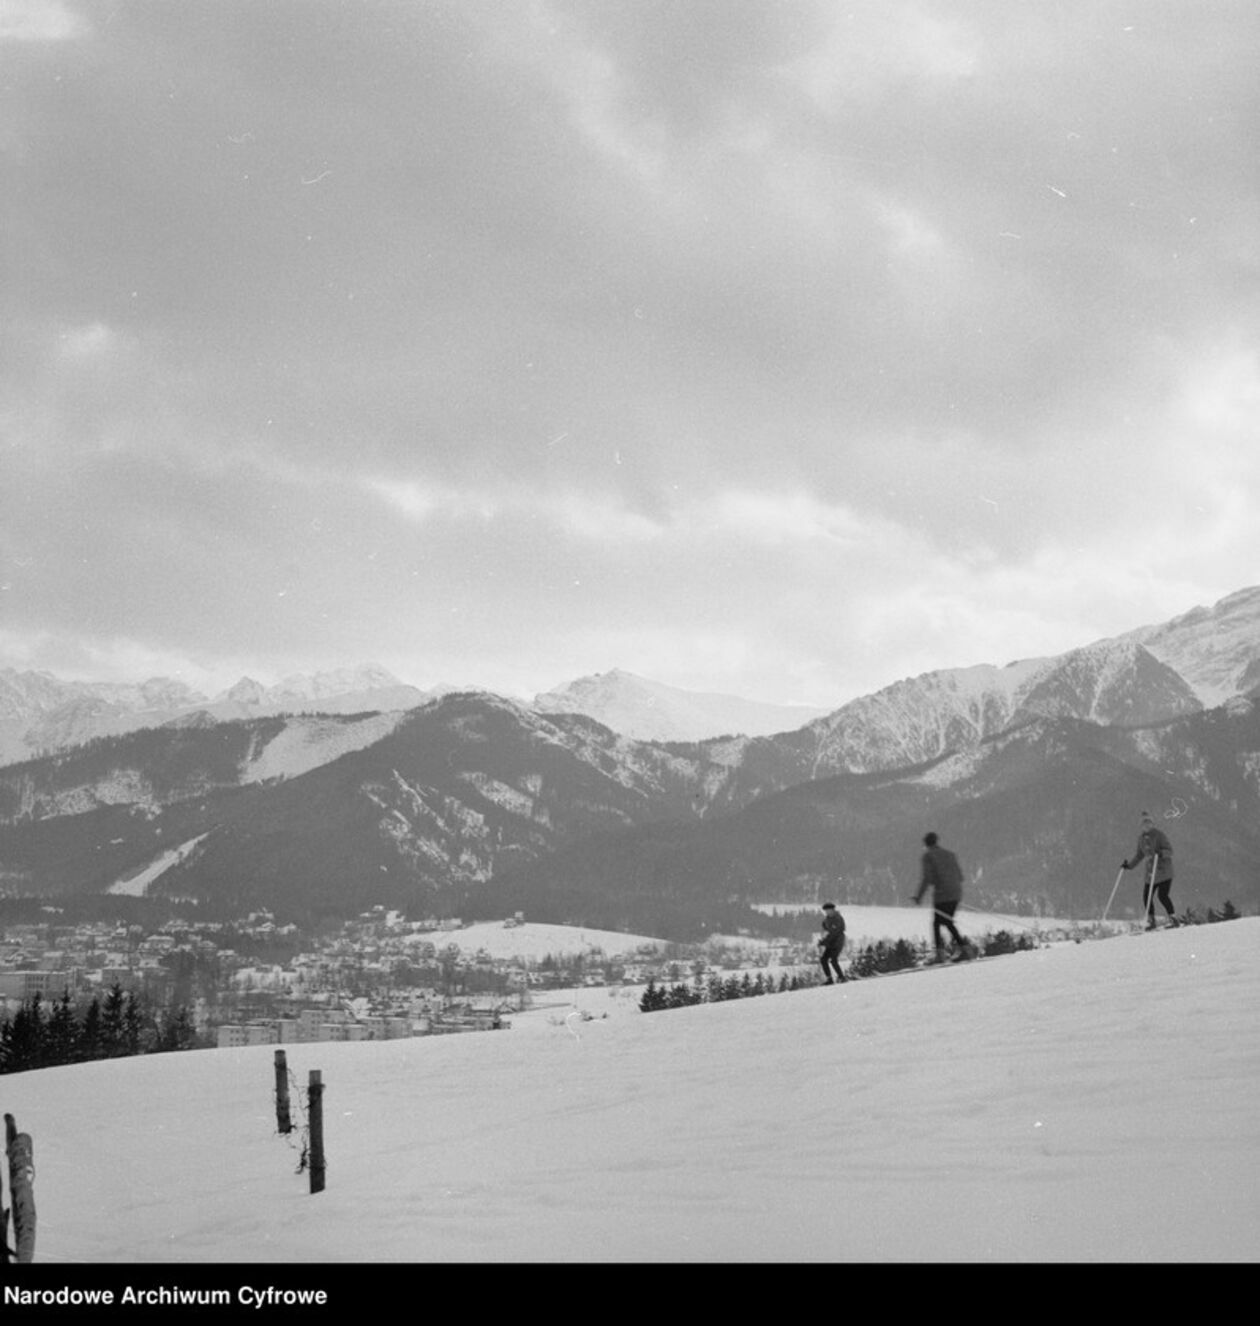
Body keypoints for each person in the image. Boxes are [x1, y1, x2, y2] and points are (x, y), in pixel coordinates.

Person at [912, 832, 971, 962]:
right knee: (947, 921)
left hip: (942, 894)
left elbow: (927, 878)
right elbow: (961, 876)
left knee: (937, 923)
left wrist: (919, 897)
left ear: (926, 844)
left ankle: (940, 955)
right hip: (956, 892)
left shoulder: (928, 856)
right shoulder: (950, 855)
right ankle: (964, 950)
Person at [1122, 811, 1175, 929]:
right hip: (1151, 873)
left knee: (1162, 896)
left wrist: (1161, 853)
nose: (1147, 826)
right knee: (1147, 897)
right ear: (1141, 826)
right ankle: (1151, 921)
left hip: (1164, 871)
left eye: (1149, 823)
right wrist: (1129, 866)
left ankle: (1173, 919)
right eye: (1145, 824)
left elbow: (1170, 851)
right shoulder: (1141, 838)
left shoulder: (1159, 835)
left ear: (1152, 824)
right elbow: (1139, 855)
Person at [817, 902, 848, 984]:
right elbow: (827, 929)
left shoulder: (837, 918)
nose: (827, 912)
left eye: (829, 910)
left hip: (838, 941)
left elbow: (835, 933)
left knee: (833, 960)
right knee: (823, 959)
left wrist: (823, 942)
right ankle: (829, 979)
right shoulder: (827, 919)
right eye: (826, 911)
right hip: (831, 942)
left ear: (833, 910)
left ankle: (841, 977)